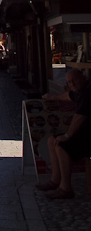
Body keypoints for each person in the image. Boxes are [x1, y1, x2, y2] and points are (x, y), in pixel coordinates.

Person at [36, 68, 91, 199]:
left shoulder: (88, 92)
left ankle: (65, 188)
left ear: (82, 78)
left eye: (74, 81)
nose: (72, 84)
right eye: (69, 82)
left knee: (61, 145)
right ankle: (55, 180)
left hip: (89, 136)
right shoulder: (79, 91)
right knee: (52, 140)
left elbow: (79, 117)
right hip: (85, 133)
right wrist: (53, 97)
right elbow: (68, 95)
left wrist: (67, 136)